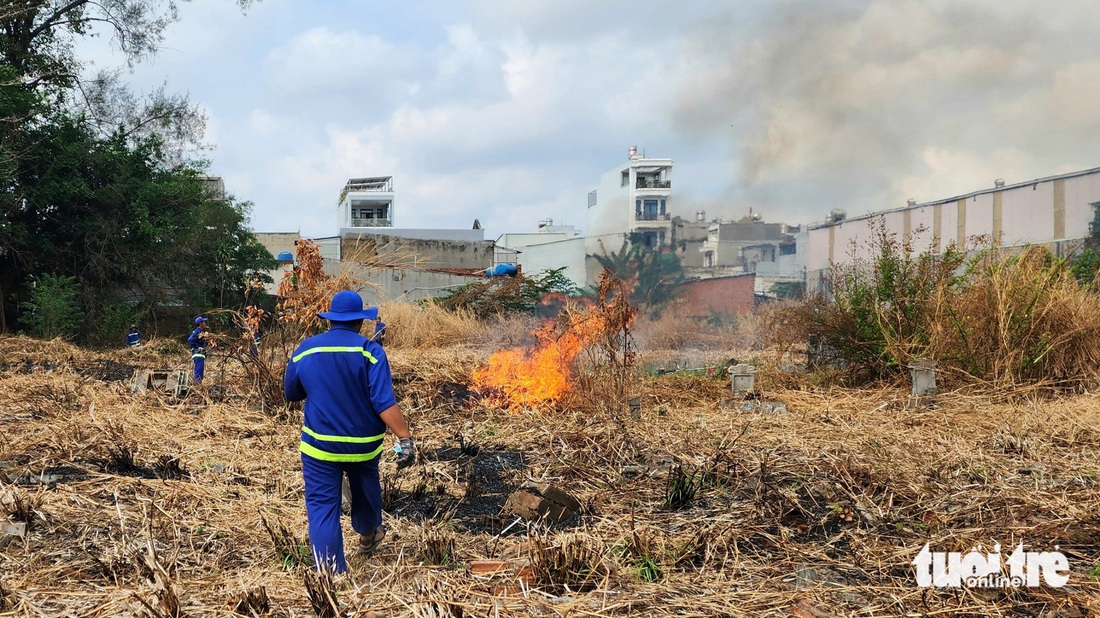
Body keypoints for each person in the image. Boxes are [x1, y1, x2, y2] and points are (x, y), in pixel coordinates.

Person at [284, 290, 414, 573]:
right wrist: (405, 438)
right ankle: (368, 536)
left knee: (322, 506)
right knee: (366, 491)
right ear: (360, 321)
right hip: (363, 446)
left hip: (319, 447)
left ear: (331, 319)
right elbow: (384, 402)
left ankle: (331, 573)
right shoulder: (370, 351)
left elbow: (291, 393)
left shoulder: (306, 349)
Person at [188, 316, 208, 384]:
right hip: (198, 353)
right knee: (199, 369)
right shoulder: (197, 331)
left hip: (200, 353)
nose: (205, 323)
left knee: (200, 369)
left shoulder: (201, 332)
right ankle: (197, 384)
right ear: (200, 324)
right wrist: (197, 347)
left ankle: (199, 383)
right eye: (204, 322)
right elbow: (190, 339)